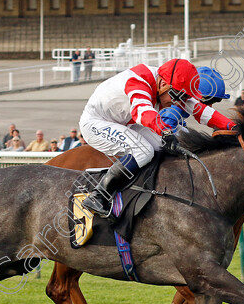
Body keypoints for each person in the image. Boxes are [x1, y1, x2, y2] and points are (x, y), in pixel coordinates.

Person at [79, 58, 235, 218]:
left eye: (182, 99)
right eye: (176, 98)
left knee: (175, 142)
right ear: (162, 85)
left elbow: (202, 111)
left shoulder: (172, 88)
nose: (177, 103)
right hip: (96, 122)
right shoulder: (139, 80)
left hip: (125, 123)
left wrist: (233, 127)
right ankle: (98, 195)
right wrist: (165, 131)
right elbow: (143, 111)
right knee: (143, 151)